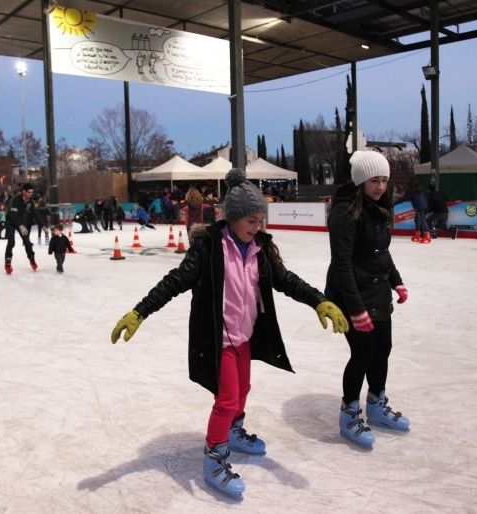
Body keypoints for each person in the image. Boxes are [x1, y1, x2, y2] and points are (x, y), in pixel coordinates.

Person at [110, 168, 349, 499]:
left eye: (260, 221)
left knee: (243, 390)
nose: (257, 227)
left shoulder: (260, 248)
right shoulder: (209, 248)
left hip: (244, 337)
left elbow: (286, 280)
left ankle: (234, 432)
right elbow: (174, 282)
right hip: (218, 339)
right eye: (251, 221)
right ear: (232, 218)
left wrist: (319, 301)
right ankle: (214, 458)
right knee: (226, 400)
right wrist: (140, 312)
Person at [324, 150, 410, 451]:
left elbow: (381, 252)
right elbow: (342, 264)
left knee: (382, 349)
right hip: (351, 295)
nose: (381, 187)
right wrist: (356, 308)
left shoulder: (379, 208)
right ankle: (349, 415)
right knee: (362, 353)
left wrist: (396, 280)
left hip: (377, 292)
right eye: (375, 180)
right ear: (360, 181)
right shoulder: (344, 213)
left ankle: (376, 404)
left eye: (384, 180)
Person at [4, 183, 38, 274]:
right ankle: (8, 262)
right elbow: (13, 215)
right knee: (11, 241)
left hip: (21, 221)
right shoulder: (15, 200)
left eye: (32, 192)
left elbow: (35, 213)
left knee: (27, 241)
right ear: (24, 191)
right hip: (10, 221)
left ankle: (31, 258)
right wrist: (20, 226)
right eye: (29, 192)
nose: (30, 194)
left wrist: (43, 225)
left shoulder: (30, 201)